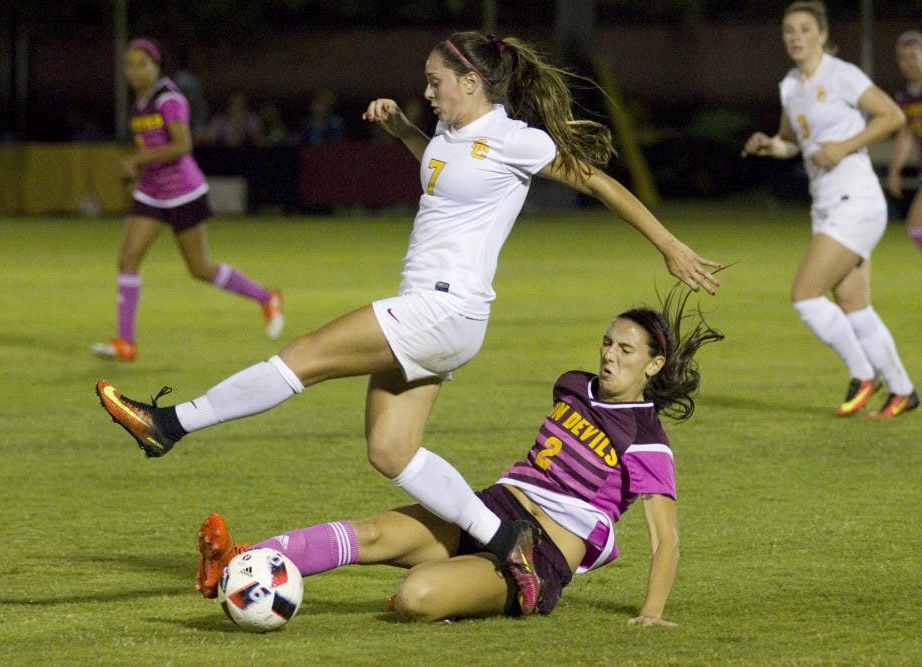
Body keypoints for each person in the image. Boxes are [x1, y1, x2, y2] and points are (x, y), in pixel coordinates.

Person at [96, 31, 722, 615]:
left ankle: (169, 424)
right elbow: (444, 174)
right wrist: (402, 130)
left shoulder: (517, 138)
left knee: (303, 358)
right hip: (429, 312)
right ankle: (509, 544)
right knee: (391, 452)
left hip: (445, 308)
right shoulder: (447, 136)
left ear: (472, 80)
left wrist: (668, 245)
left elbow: (600, 183)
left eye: (434, 82)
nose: (426, 93)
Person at [194, 288, 723, 623]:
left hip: (539, 559)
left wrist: (651, 614)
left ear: (654, 367)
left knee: (417, 596)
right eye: (607, 342)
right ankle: (239, 562)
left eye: (625, 350)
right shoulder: (572, 386)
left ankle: (465, 590)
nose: (608, 354)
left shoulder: (648, 438)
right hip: (493, 509)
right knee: (373, 534)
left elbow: (666, 539)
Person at [742, 2, 918, 418]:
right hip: (826, 204)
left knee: (805, 296)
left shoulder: (842, 75)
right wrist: (772, 145)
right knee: (854, 303)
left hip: (856, 200)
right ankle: (903, 390)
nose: (795, 38)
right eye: (789, 31)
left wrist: (843, 146)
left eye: (804, 29)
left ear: (821, 34)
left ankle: (863, 374)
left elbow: (891, 116)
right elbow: (794, 142)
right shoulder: (789, 85)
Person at [91, 38, 283, 362]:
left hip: (184, 192)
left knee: (199, 268)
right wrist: (134, 173)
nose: (135, 71)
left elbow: (182, 145)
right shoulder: (138, 103)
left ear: (157, 66)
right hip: (152, 191)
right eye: (129, 65)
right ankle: (126, 343)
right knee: (127, 260)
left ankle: (266, 297)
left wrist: (135, 159)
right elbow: (153, 151)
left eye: (142, 64)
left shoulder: (169, 98)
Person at [886, 30, 922, 252]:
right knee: (916, 228)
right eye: (903, 57)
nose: (908, 62)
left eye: (914, 55)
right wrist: (894, 170)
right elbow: (905, 134)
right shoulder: (905, 96)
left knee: (917, 225)